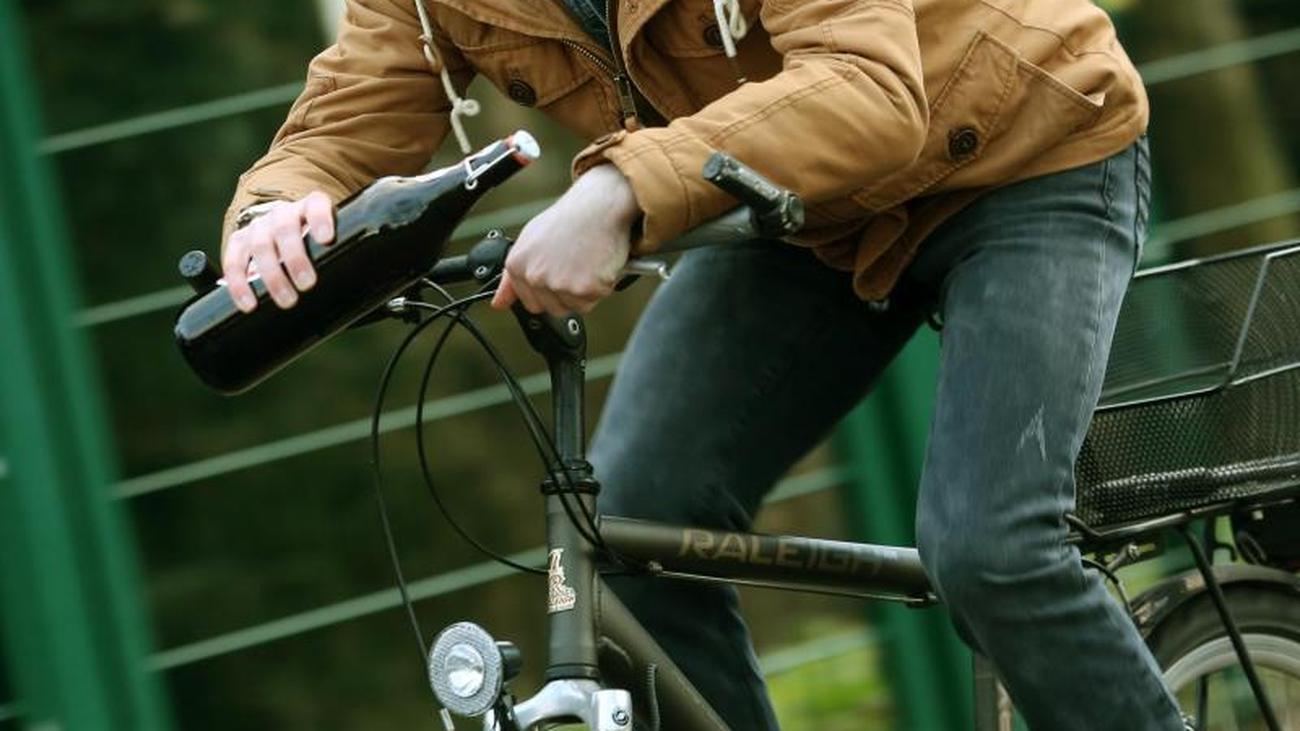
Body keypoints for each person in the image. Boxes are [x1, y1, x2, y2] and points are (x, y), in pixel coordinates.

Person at [221, 1, 1183, 728]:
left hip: (1022, 154)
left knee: (991, 550)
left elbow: (871, 88)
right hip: (797, 213)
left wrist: (620, 190)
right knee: (631, 534)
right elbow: (353, 113)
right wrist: (279, 210)